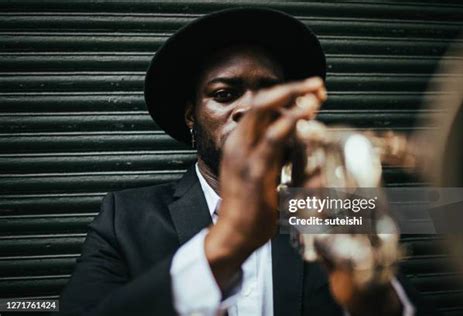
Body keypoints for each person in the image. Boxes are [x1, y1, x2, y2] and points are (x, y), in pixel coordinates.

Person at [59, 8, 436, 316]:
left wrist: (372, 299)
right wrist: (224, 245)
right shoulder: (124, 218)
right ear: (191, 116)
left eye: (269, 92)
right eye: (225, 94)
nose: (251, 109)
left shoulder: (330, 209)